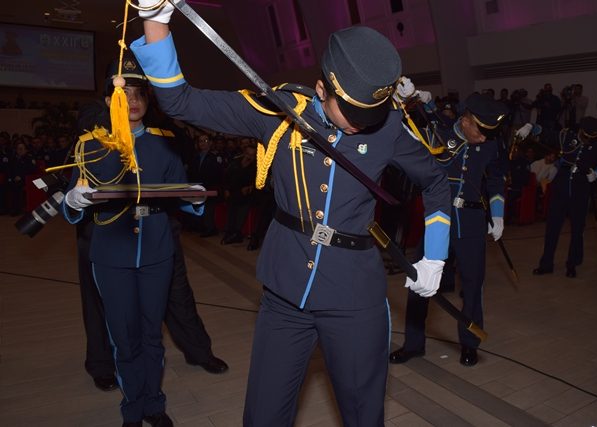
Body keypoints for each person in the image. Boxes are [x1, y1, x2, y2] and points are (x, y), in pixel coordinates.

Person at [133, 4, 451, 425]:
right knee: (263, 416)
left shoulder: (388, 127)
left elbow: (436, 182)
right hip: (286, 292)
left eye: (368, 114)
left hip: (354, 296)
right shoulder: (279, 112)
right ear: (321, 89)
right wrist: (156, 21)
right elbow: (180, 100)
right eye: (351, 112)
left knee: (363, 416)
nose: (361, 124)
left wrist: (435, 256)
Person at [62, 56, 207, 427]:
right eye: (124, 93)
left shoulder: (164, 143)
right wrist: (74, 201)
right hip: (111, 252)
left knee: (152, 335)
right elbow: (71, 204)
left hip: (156, 248)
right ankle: (132, 408)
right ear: (109, 100)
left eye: (140, 93)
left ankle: (154, 403)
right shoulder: (90, 146)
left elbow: (178, 195)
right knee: (124, 337)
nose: (134, 100)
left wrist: (193, 199)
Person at [389, 93, 508, 367]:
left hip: (471, 223)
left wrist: (497, 213)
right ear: (465, 120)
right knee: (419, 284)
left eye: (489, 132)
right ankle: (413, 344)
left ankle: (469, 344)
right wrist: (408, 102)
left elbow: (496, 179)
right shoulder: (440, 135)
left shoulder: (490, 145)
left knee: (473, 285)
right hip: (438, 223)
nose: (484, 137)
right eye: (479, 129)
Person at [532, 117, 597, 278]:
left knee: (577, 229)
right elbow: (548, 134)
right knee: (552, 227)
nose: (588, 140)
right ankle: (546, 264)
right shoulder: (567, 136)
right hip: (561, 186)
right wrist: (531, 127)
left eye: (591, 138)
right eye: (586, 136)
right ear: (581, 131)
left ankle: (572, 264)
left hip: (581, 188)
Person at [188, 133, 224, 237]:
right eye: (200, 141)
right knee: (198, 207)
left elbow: (217, 174)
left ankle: (210, 228)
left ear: (210, 143)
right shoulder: (195, 157)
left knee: (208, 209)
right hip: (197, 187)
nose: (203, 143)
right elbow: (192, 172)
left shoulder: (215, 157)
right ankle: (201, 227)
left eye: (205, 141)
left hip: (210, 187)